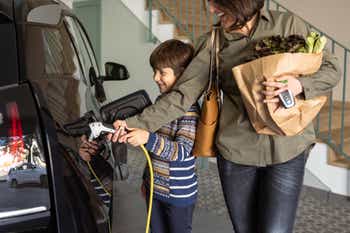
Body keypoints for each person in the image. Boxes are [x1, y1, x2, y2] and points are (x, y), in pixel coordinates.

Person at [111, 1, 341, 232]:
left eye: (218, 3)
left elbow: (332, 68)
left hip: (288, 147)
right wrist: (132, 124)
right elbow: (181, 95)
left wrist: (299, 84)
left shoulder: (287, 24)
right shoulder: (213, 42)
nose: (211, 10)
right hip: (236, 153)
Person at [112, 39, 200, 233]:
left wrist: (148, 139)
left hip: (178, 195)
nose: (155, 77)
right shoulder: (161, 103)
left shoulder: (188, 110)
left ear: (182, 74)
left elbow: (183, 151)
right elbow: (153, 153)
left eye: (162, 72)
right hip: (155, 190)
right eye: (155, 71)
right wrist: (146, 181)